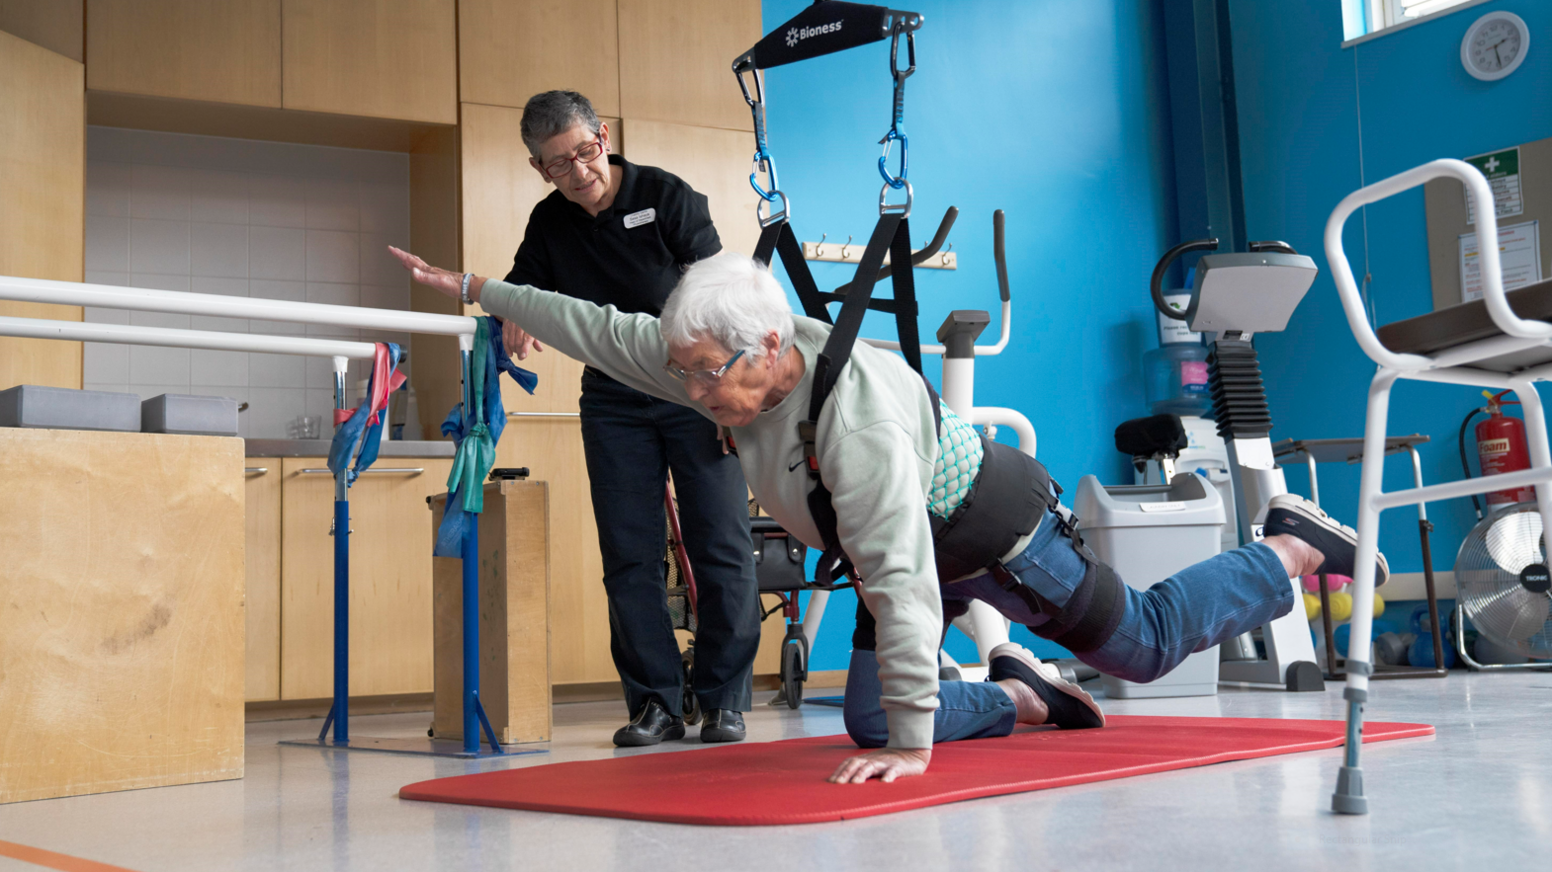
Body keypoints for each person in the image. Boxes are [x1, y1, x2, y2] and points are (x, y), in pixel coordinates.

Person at [388, 247, 1390, 784]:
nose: (690, 391)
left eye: (704, 375)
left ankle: (1289, 543)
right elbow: (604, 333)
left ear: (769, 348)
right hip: (898, 544)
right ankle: (1025, 697)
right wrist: (482, 290)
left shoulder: (851, 423)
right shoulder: (714, 350)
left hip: (989, 530)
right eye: (684, 370)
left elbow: (906, 576)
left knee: (1142, 648)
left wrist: (914, 746)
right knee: (866, 712)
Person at [497, 90, 760, 746]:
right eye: (558, 164)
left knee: (720, 541)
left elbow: (721, 294)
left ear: (603, 136)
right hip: (613, 401)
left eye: (585, 152)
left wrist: (732, 395)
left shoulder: (668, 197)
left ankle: (724, 697)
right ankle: (657, 704)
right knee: (628, 554)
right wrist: (511, 316)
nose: (579, 171)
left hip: (694, 392)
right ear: (540, 169)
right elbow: (522, 289)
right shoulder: (549, 224)